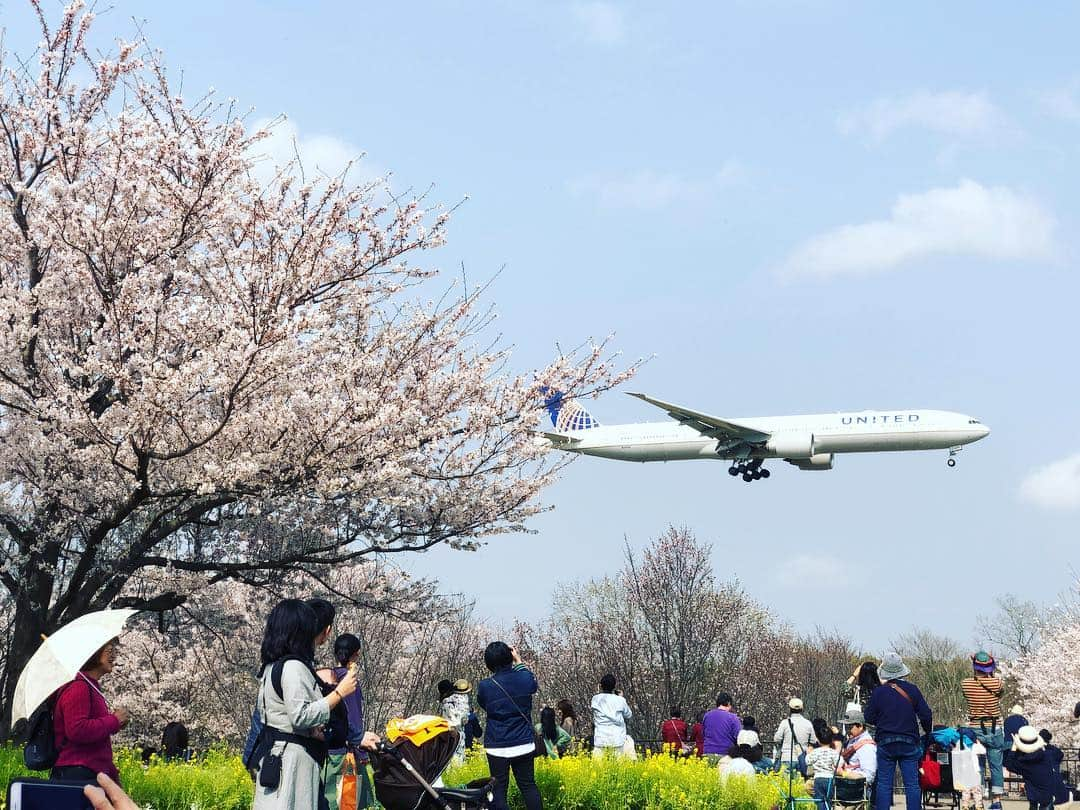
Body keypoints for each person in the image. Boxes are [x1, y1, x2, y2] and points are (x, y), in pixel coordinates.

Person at [251, 599, 379, 810]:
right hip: (292, 761)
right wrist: (340, 692)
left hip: (274, 756)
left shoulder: (270, 667)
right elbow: (300, 716)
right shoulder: (294, 667)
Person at [52, 636, 130, 784]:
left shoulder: (90, 686)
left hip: (88, 772)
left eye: (115, 649)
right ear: (93, 651)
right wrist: (114, 721)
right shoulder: (79, 687)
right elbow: (77, 729)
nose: (114, 655)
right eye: (109, 649)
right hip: (78, 775)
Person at [476, 641, 543, 810]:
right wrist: (518, 660)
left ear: (488, 663)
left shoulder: (485, 686)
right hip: (523, 743)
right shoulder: (524, 678)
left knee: (498, 792)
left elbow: (485, 705)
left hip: (497, 745)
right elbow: (531, 683)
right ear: (510, 657)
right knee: (528, 786)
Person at [865, 652, 932, 810]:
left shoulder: (879, 692)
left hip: (885, 741)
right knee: (912, 784)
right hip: (909, 741)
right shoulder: (913, 690)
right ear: (902, 670)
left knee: (884, 784)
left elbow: (868, 717)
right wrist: (927, 732)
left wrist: (881, 722)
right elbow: (926, 714)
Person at [317, 633, 375, 810]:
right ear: (356, 654)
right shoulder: (349, 682)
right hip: (346, 753)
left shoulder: (326, 677)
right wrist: (362, 751)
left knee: (326, 802)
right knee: (348, 804)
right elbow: (354, 718)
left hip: (325, 751)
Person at [960, 651, 1007, 809]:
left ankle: (978, 801)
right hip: (994, 727)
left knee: (977, 766)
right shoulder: (998, 683)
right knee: (996, 766)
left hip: (975, 729)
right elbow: (999, 692)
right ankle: (997, 801)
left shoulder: (966, 683)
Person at [1003, 726, 1059, 810]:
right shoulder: (1045, 754)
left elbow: (1008, 764)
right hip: (1048, 794)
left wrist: (1014, 747)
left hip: (1034, 796)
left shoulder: (1024, 762)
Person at [590, 673, 633, 758]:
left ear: (601, 686)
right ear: (614, 686)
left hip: (600, 739)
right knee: (618, 767)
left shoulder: (595, 699)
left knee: (599, 768)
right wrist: (620, 697)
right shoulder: (620, 700)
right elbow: (628, 714)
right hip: (617, 739)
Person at [773, 697, 817, 773]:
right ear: (802, 709)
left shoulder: (785, 723)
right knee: (801, 783)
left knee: (786, 783)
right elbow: (813, 740)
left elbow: (777, 739)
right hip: (802, 758)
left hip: (787, 757)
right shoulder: (808, 723)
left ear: (790, 709)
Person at [839, 708, 877, 783]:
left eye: (850, 727)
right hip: (846, 782)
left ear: (860, 726)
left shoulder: (867, 747)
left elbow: (868, 776)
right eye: (846, 727)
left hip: (857, 788)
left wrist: (843, 773)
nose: (847, 730)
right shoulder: (851, 741)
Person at [806, 726, 841, 809]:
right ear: (832, 739)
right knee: (829, 800)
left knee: (820, 800)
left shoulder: (815, 752)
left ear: (818, 740)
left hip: (818, 779)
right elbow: (839, 763)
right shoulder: (833, 752)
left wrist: (808, 753)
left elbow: (807, 761)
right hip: (830, 779)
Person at [1038, 729, 1075, 806]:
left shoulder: (1038, 751)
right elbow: (1061, 755)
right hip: (1056, 783)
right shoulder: (1055, 751)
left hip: (1042, 783)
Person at [702, 692, 741, 761]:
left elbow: (703, 734)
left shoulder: (707, 715)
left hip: (707, 752)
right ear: (729, 703)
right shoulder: (733, 718)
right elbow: (738, 737)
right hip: (725, 754)